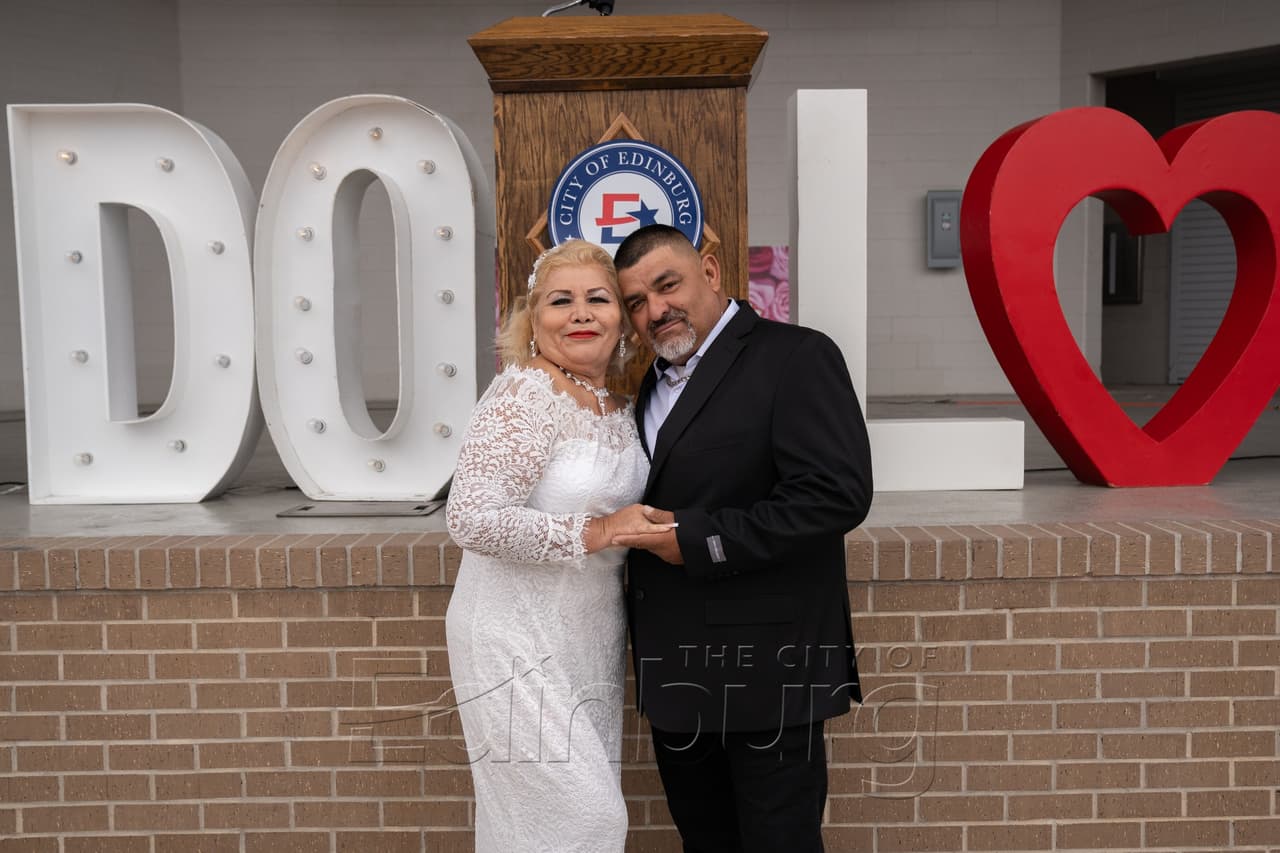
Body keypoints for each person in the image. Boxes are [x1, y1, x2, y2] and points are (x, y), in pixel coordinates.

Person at [612, 224, 874, 853]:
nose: (655, 310)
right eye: (636, 302)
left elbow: (836, 495)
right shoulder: (649, 385)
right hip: (676, 681)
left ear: (712, 271)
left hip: (767, 677)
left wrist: (700, 539)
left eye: (666, 285)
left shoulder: (796, 356)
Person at [444, 239, 674, 853]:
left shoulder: (619, 407)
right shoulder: (524, 394)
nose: (580, 313)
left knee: (555, 825)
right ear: (532, 318)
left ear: (622, 320)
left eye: (598, 299)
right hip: (511, 634)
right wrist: (601, 531)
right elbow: (470, 519)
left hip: (589, 638)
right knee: (585, 821)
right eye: (560, 301)